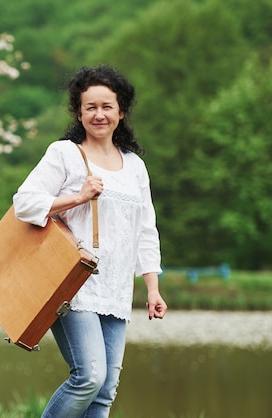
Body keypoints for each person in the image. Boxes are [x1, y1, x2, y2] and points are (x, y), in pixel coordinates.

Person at [12, 64, 167, 417]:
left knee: (105, 390)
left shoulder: (134, 167)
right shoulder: (64, 154)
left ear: (121, 111)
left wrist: (153, 289)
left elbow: (146, 230)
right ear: (79, 113)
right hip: (73, 283)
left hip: (116, 288)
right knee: (89, 376)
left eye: (107, 106)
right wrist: (77, 197)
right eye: (90, 107)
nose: (99, 114)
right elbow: (24, 203)